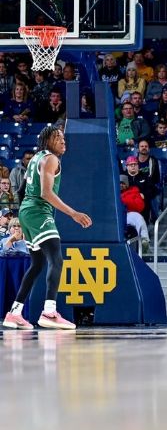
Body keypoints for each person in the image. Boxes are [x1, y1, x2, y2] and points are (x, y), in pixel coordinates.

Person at [3, 126, 93, 330]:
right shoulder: (51, 159)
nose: (63, 141)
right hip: (38, 211)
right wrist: (74, 214)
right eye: (57, 137)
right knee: (56, 259)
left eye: (63, 137)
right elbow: (45, 193)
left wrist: (24, 218)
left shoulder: (36, 158)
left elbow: (22, 189)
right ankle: (49, 312)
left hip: (27, 211)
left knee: (37, 264)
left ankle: (14, 313)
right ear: (47, 141)